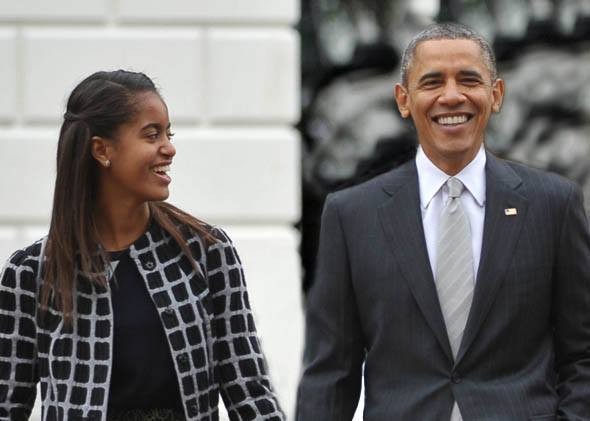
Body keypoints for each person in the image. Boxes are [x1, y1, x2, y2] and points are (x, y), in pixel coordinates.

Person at [296, 22, 590, 420]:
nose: (451, 96)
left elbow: (582, 354)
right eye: (432, 82)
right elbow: (330, 372)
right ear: (403, 99)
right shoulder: (351, 216)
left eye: (468, 80)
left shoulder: (554, 205)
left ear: (496, 94)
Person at [0, 70, 285, 421]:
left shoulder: (207, 252)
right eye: (152, 135)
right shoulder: (32, 273)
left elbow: (251, 393)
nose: (169, 148)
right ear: (102, 150)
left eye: (168, 134)